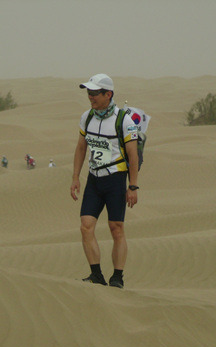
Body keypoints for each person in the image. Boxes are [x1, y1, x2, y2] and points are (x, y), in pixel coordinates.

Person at [70, 73, 139, 288]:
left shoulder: (124, 121)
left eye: (94, 93)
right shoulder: (86, 117)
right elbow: (81, 148)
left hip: (116, 179)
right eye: (88, 92)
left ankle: (117, 277)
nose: (90, 97)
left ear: (108, 94)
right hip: (94, 179)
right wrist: (75, 177)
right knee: (86, 227)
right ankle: (96, 275)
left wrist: (133, 186)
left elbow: (133, 155)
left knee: (116, 228)